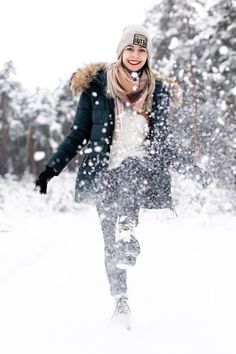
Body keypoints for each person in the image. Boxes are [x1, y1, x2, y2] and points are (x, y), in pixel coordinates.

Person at [35, 24, 212, 329]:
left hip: (140, 168)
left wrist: (194, 169)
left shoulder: (156, 92)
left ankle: (128, 227)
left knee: (130, 169)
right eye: (130, 49)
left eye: (142, 50)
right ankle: (121, 301)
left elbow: (162, 143)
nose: (135, 55)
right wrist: (52, 168)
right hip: (103, 172)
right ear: (120, 51)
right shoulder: (97, 87)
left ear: (148, 55)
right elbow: (79, 133)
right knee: (110, 244)